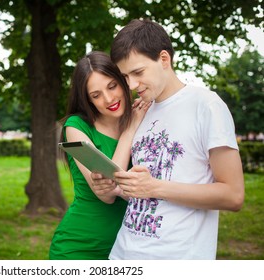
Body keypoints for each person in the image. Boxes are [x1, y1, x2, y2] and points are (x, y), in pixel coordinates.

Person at [90, 19, 245, 260]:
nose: (131, 85)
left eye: (138, 72)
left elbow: (233, 195)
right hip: (122, 255)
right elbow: (145, 184)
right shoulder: (141, 110)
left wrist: (154, 187)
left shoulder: (206, 105)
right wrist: (119, 188)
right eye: (125, 76)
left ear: (164, 59)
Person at [49, 51, 151, 260]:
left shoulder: (145, 117)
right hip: (78, 248)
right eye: (96, 95)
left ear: (124, 80)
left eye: (112, 86)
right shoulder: (76, 127)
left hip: (130, 249)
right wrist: (129, 131)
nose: (109, 99)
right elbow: (106, 193)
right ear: (88, 99)